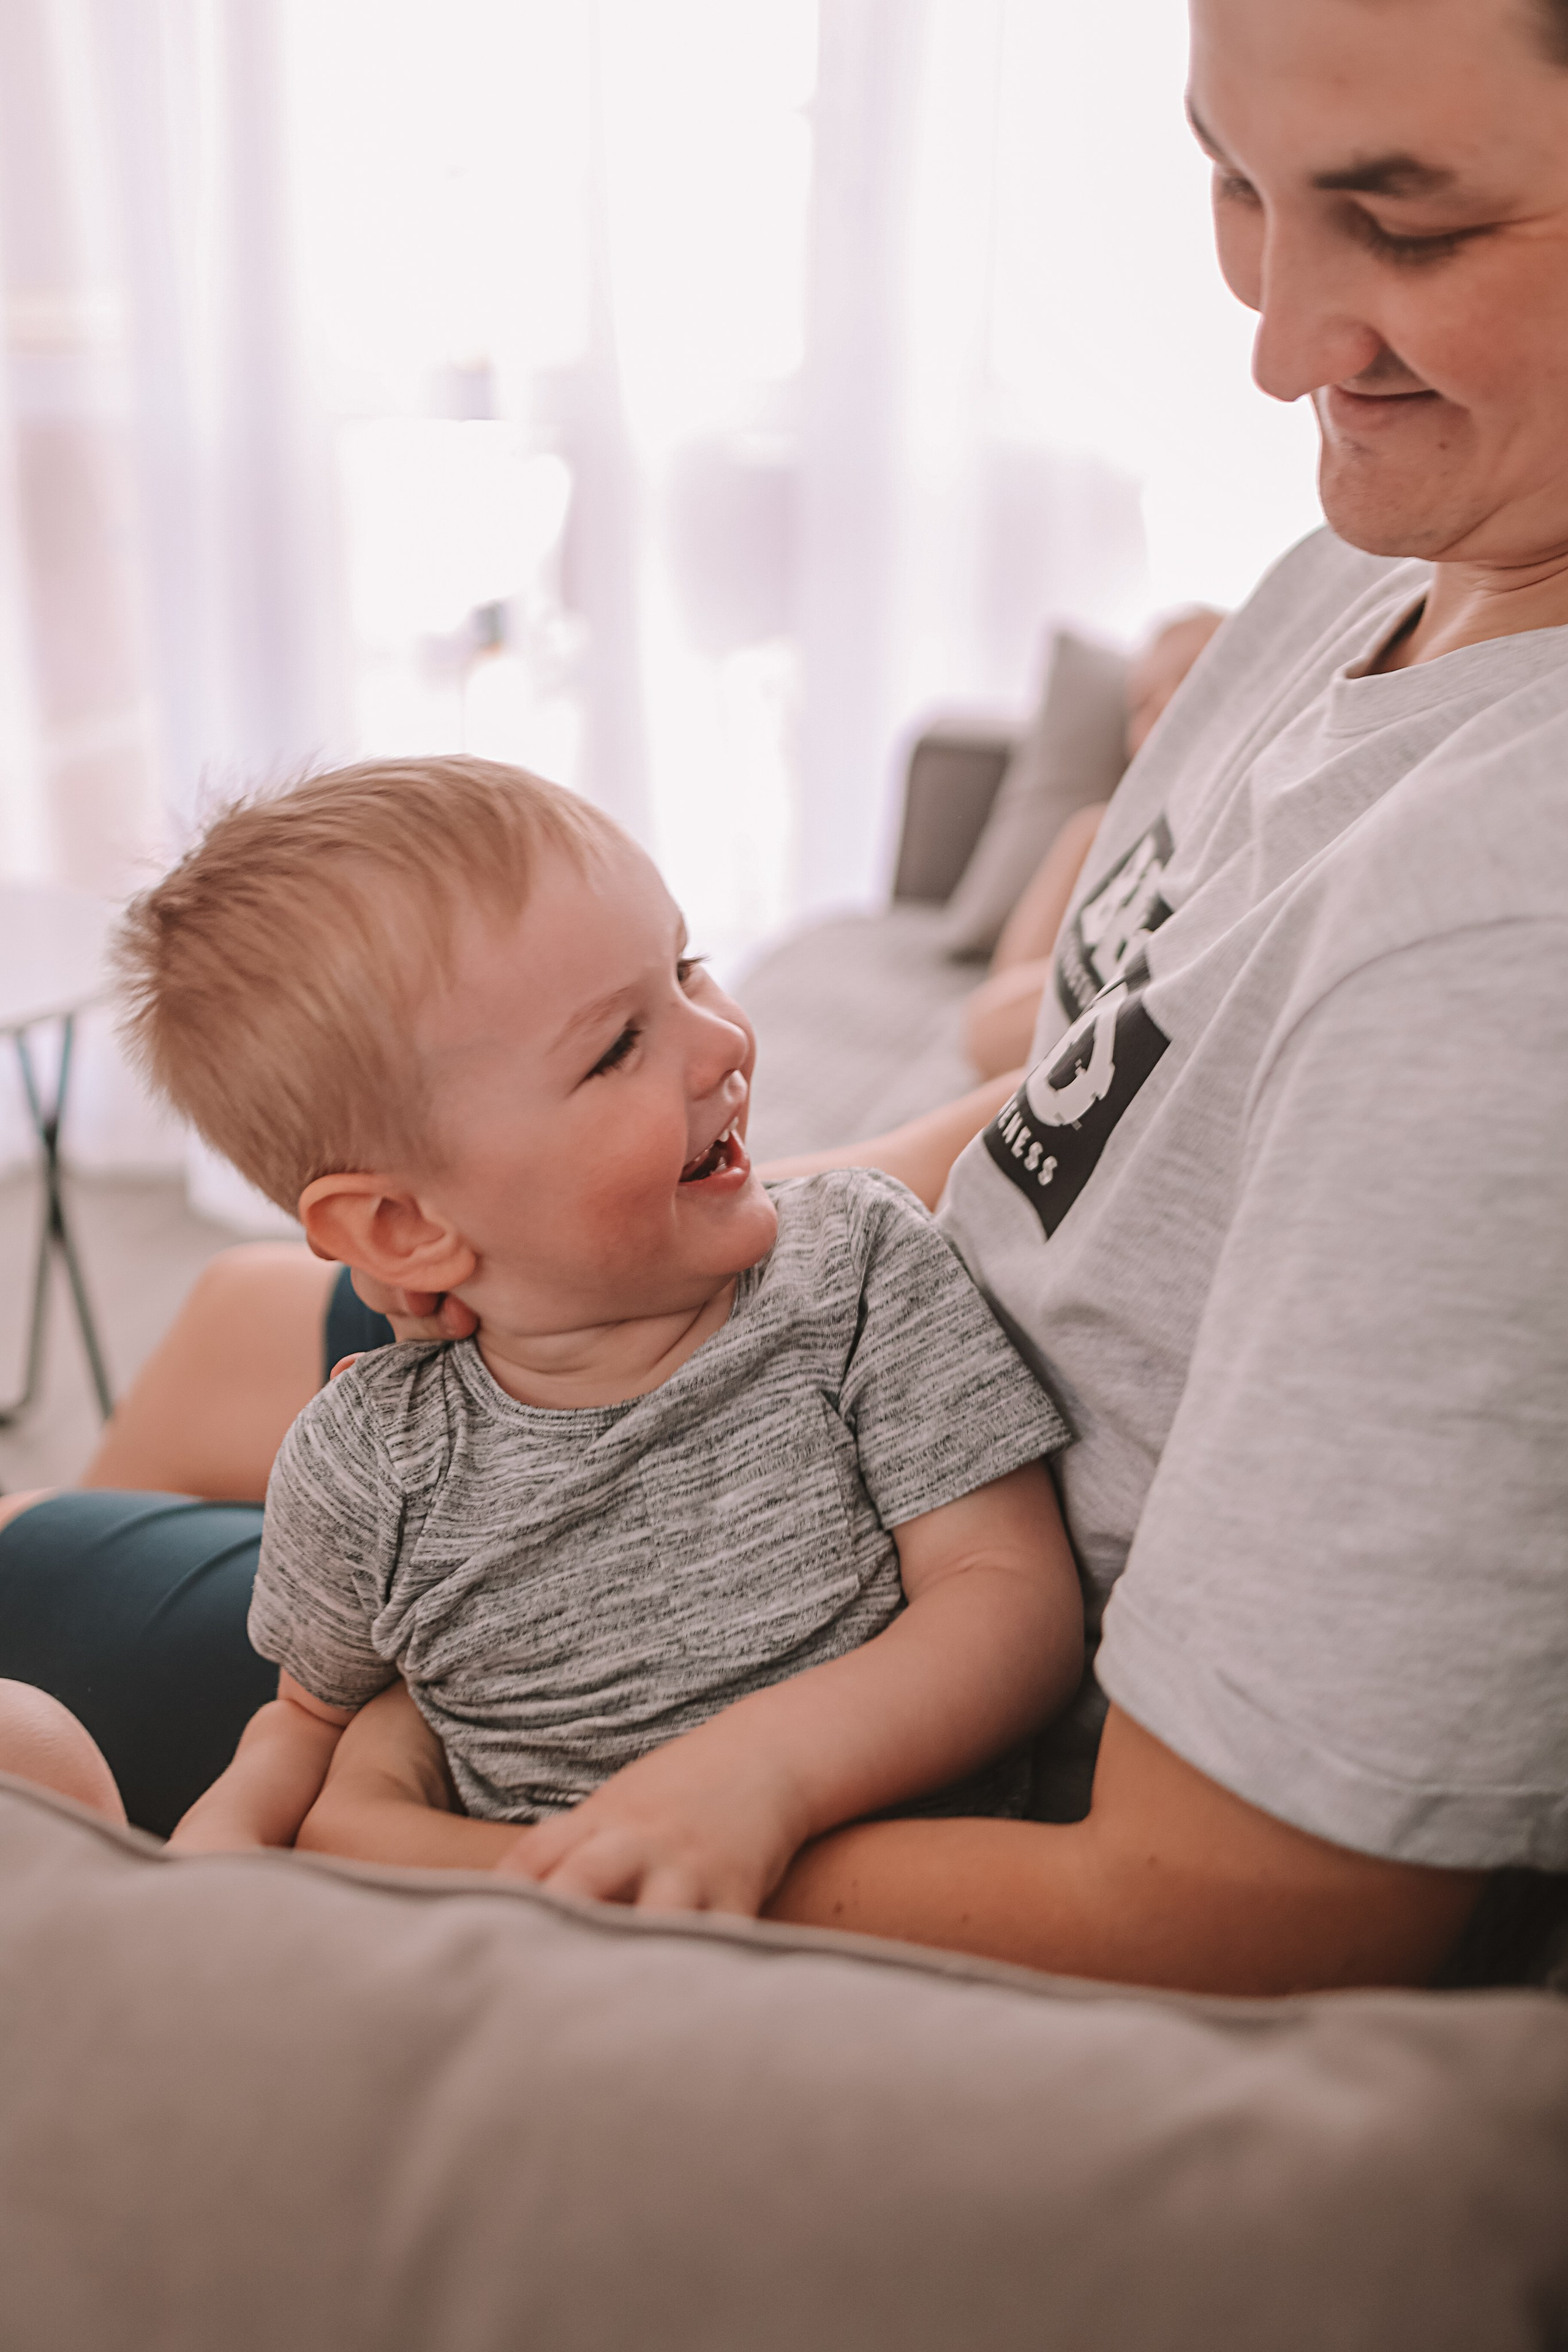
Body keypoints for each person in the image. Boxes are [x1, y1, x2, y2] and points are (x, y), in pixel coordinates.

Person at [2, 0, 1566, 1995]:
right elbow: (1080, 1101)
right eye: (1235, 180)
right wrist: (653, 1252)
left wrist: (448, 1844)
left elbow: (1244, 1907)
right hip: (703, 1403)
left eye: (1406, 227)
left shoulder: (1503, 927)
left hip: (820, 1650)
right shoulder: (1372, 563)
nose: (1271, 342)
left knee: (37, 1624)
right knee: (232, 1336)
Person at [88, 756, 1077, 1906]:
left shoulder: (858, 1270)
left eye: (689, 968)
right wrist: (215, 1849)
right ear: (403, 1228)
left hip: (867, 1961)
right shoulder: (367, 1463)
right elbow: (309, 1720)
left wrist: (760, 1779)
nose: (723, 1045)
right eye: (618, 1046)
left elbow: (1010, 1596)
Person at [961, 608, 1226, 1081]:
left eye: (1192, 681)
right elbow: (998, 1014)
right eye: (1142, 704)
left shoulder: (1238, 843)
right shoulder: (1095, 836)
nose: (1166, 705)